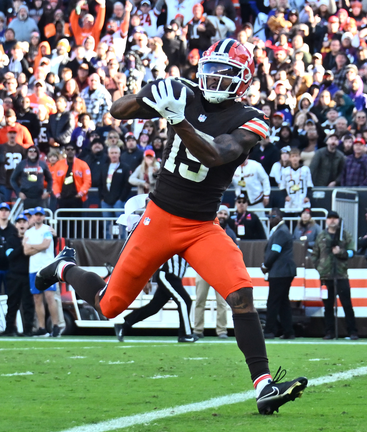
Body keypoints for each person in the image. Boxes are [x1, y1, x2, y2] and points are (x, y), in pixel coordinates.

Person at [33, 39, 307, 415]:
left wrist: (178, 120)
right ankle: (64, 266)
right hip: (158, 218)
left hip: (202, 226)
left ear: (242, 80)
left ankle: (263, 385)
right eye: (211, 70)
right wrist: (150, 94)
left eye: (225, 72)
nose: (215, 79)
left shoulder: (250, 119)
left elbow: (215, 155)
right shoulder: (182, 91)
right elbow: (117, 110)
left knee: (241, 293)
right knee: (110, 305)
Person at [115, 255, 198, 343]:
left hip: (174, 278)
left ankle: (124, 326)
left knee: (153, 307)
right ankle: (184, 334)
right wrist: (147, 279)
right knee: (185, 301)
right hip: (167, 276)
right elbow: (154, 257)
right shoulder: (171, 242)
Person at [310, 211, 358, 340]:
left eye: (335, 218)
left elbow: (352, 252)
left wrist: (341, 252)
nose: (332, 221)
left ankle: (352, 331)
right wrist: (320, 268)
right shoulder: (321, 236)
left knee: (347, 304)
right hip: (326, 277)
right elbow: (315, 254)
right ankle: (329, 332)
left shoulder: (345, 235)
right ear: (326, 220)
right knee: (328, 306)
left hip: (341, 275)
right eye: (330, 218)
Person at [193, 205, 235, 340]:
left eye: (225, 214)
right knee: (200, 300)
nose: (222, 215)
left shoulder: (231, 233)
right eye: (220, 213)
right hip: (203, 268)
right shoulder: (205, 228)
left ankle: (222, 330)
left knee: (222, 302)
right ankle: (198, 329)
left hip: (221, 270)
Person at [24, 206, 61, 337]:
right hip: (34, 268)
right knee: (37, 298)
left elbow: (45, 245)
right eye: (36, 215)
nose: (38, 217)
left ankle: (56, 325)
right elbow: (25, 251)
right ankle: (42, 327)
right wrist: (38, 246)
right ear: (33, 217)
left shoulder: (47, 230)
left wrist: (32, 246)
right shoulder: (29, 232)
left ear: (44, 217)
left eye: (40, 215)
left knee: (50, 297)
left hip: (47, 268)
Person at [261, 208, 297, 340]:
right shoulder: (281, 230)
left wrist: (266, 265)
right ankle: (288, 331)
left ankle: (269, 331)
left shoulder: (281, 232)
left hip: (280, 271)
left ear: (280, 217)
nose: (270, 219)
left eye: (272, 216)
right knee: (282, 302)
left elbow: (275, 251)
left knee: (273, 302)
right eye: (269, 217)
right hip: (283, 271)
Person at [0, 214, 36, 337]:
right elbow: (10, 256)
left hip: (28, 275)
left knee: (28, 304)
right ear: (16, 225)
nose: (21, 224)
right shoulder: (11, 240)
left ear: (28, 224)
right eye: (19, 222)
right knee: (12, 303)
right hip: (14, 275)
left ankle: (28, 329)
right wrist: (22, 246)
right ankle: (9, 328)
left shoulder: (33, 238)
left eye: (24, 222)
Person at [51, 142, 92, 212]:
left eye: (72, 149)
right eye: (67, 149)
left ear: (75, 151)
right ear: (65, 151)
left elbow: (87, 181)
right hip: (63, 197)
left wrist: (81, 193)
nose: (70, 151)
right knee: (63, 221)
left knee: (77, 221)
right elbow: (54, 180)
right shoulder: (58, 164)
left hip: (78, 198)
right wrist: (57, 194)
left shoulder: (82, 164)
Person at [0, 203, 17, 295]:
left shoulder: (14, 229)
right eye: (1, 210)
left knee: (10, 295)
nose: (4, 213)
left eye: (6, 210)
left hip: (10, 267)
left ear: (9, 213)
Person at [281, 148, 314, 213]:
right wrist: (285, 196)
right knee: (290, 220)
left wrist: (308, 197)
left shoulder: (305, 169)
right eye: (293, 156)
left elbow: (309, 185)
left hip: (302, 199)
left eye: (296, 156)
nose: (295, 158)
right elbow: (282, 187)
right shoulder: (285, 171)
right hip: (291, 199)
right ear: (289, 158)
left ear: (300, 157)